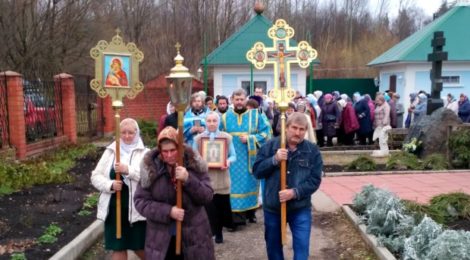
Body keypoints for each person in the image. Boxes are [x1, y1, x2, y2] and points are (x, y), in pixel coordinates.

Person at [134, 126, 215, 260]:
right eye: (165, 151)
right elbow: (140, 202)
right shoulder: (151, 169)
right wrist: (168, 211)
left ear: (180, 148)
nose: (169, 155)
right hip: (161, 239)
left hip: (194, 235)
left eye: (173, 150)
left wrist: (188, 179)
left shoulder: (194, 164)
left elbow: (207, 196)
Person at [253, 112, 323, 260]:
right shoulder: (270, 146)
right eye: (294, 128)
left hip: (300, 208)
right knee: (273, 248)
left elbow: (315, 180)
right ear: (286, 127)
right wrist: (274, 159)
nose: (297, 132)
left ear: (306, 130)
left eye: (302, 129)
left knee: (302, 249)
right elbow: (257, 171)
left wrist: (295, 192)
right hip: (273, 207)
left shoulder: (312, 151)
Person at [91, 118, 148, 260]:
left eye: (131, 133)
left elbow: (149, 178)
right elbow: (95, 176)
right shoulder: (111, 151)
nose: (127, 136)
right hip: (114, 209)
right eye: (123, 132)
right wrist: (110, 185)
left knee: (140, 248)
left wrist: (127, 170)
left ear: (137, 133)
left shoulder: (145, 153)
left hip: (136, 209)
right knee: (118, 248)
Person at [220, 88, 271, 224]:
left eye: (241, 99)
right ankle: (235, 219)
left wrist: (251, 138)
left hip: (249, 159)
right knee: (233, 188)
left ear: (245, 99)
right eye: (236, 99)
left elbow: (267, 132)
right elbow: (219, 137)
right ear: (232, 100)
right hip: (232, 160)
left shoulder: (256, 115)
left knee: (248, 186)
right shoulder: (224, 117)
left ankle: (249, 214)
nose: (239, 102)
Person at [193, 111, 237, 244]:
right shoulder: (198, 139)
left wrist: (228, 161)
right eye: (209, 121)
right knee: (208, 209)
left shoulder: (227, 137)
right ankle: (210, 232)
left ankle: (219, 232)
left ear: (219, 122)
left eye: (214, 121)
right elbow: (194, 157)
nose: (212, 123)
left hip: (222, 178)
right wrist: (201, 164)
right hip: (206, 179)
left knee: (221, 208)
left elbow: (233, 155)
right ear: (205, 122)